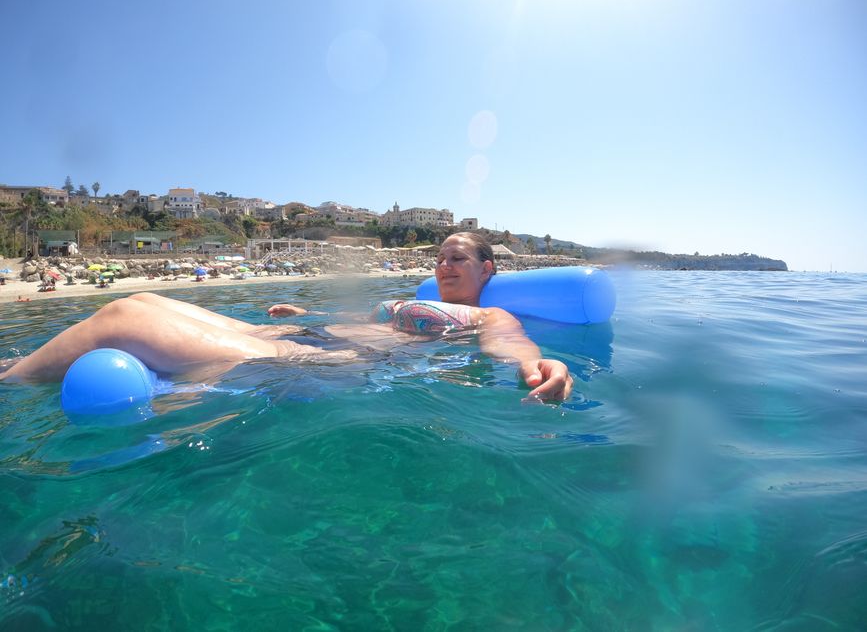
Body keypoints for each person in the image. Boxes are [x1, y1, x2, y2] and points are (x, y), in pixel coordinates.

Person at [0, 233, 572, 400]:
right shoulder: (414, 297)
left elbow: (509, 344)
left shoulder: (488, 312)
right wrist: (308, 310)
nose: (445, 265)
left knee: (122, 317)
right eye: (441, 256)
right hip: (297, 332)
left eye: (459, 258)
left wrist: (536, 364)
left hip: (318, 361)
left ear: (487, 268)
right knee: (142, 302)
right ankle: (24, 363)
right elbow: (360, 314)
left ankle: (9, 381)